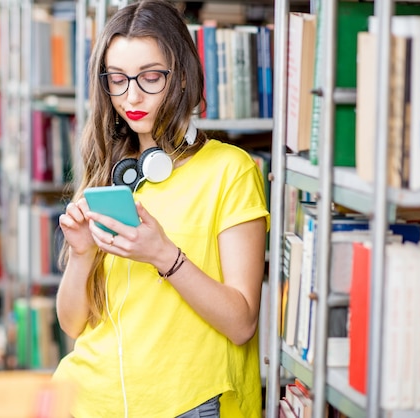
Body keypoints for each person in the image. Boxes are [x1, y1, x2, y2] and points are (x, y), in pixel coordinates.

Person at [52, 0, 270, 416]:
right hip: (88, 399)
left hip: (185, 402)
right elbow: (72, 324)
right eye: (117, 80)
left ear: (183, 77)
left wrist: (162, 255)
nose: (131, 96)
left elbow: (241, 324)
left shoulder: (230, 171)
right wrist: (81, 255)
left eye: (150, 78)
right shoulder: (110, 175)